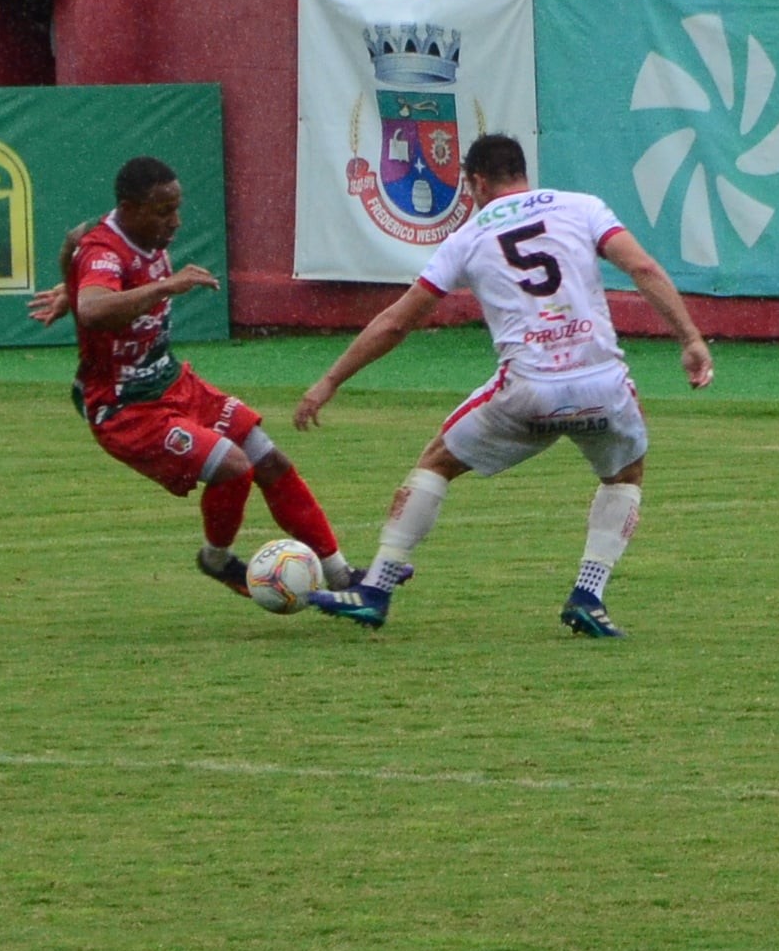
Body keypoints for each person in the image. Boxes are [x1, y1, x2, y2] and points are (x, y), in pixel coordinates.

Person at [291, 132, 714, 639]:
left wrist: (330, 380)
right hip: (602, 385)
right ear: (522, 172)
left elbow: (397, 322)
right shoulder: (583, 208)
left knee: (437, 462)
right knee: (626, 474)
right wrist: (690, 338)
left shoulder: (468, 237)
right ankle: (589, 594)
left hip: (528, 390)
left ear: (477, 181)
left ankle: (375, 588)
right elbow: (642, 267)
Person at [25, 156, 349, 599]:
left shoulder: (117, 234)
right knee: (233, 468)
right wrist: (141, 288)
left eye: (177, 209)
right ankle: (216, 559)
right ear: (129, 208)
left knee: (269, 459)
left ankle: (342, 575)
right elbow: (95, 309)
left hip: (173, 382)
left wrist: (69, 284)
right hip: (127, 407)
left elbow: (71, 240)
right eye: (163, 212)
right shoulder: (106, 251)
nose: (175, 222)